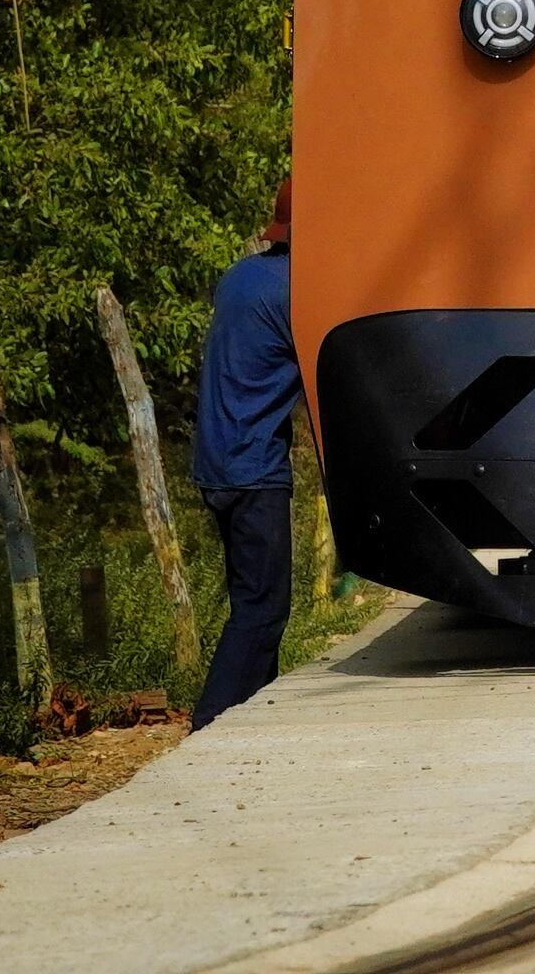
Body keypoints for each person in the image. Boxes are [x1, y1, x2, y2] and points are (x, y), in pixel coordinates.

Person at [190, 183, 301, 728]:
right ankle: (212, 722)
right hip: (254, 465)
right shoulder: (296, 294)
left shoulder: (238, 277)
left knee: (249, 601)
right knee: (263, 609)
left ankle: (257, 718)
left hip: (215, 461)